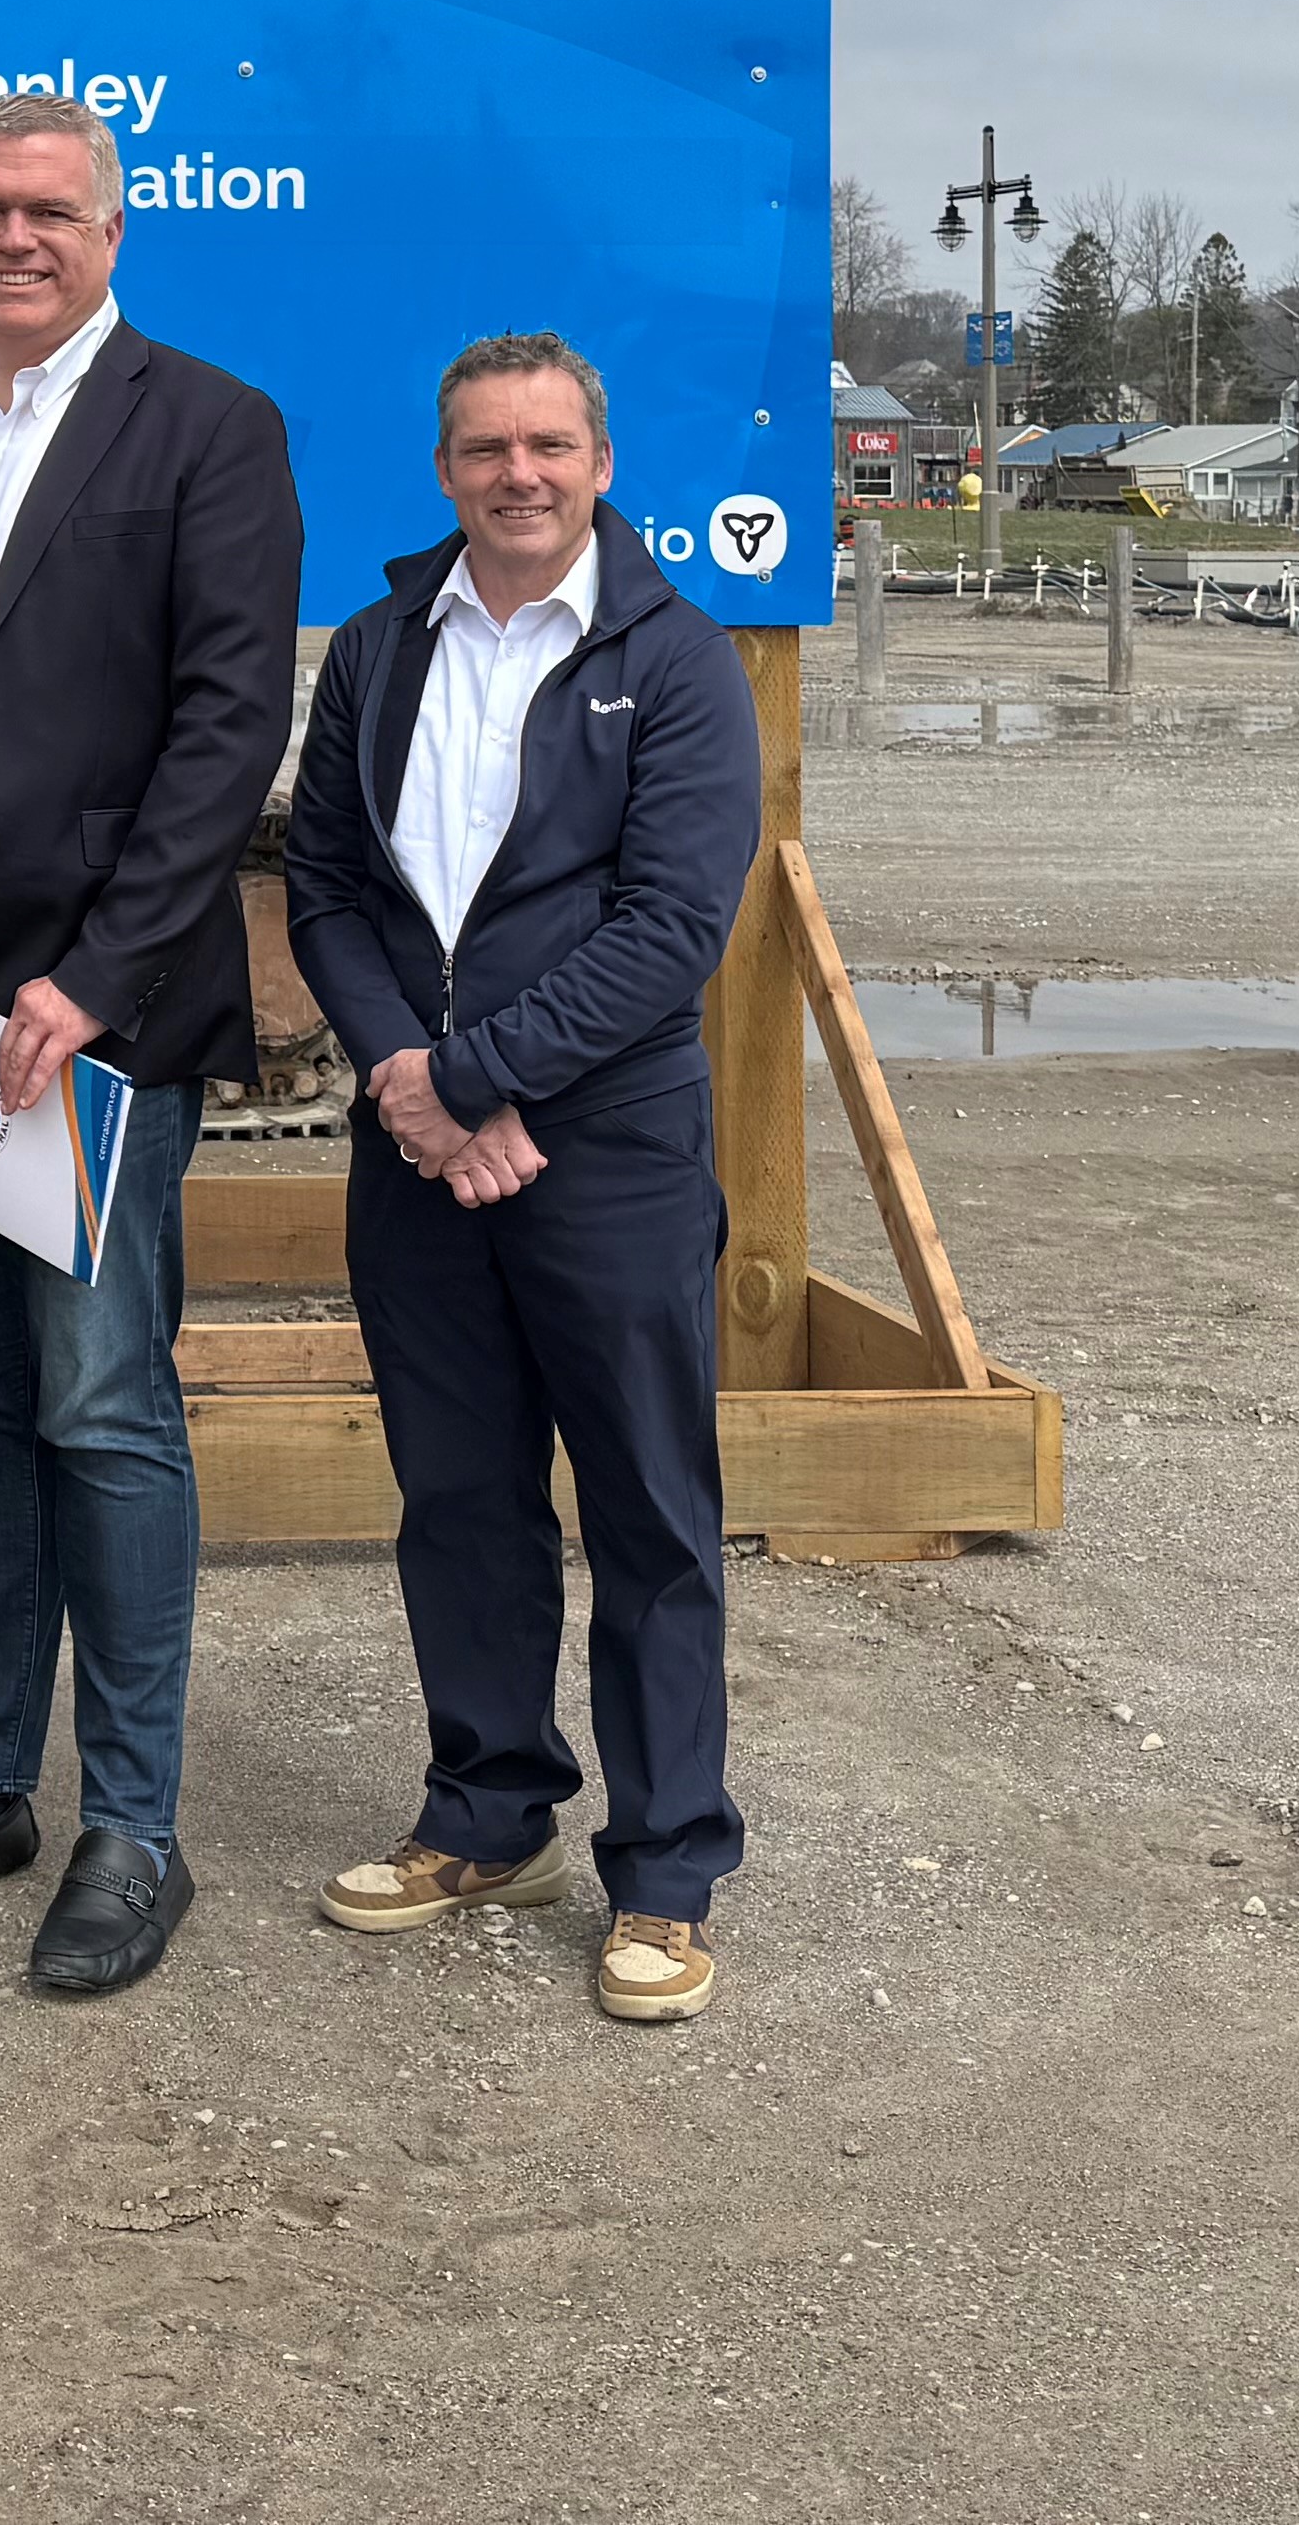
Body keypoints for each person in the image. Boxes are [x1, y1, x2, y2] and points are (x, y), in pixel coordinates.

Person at [0, 89, 302, 1997]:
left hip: (88, 1025)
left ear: (114, 229)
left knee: (105, 1408)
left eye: (51, 211)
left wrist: (92, 978)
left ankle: (136, 1827)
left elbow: (221, 729)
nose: (15, 237)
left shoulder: (208, 426)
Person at [279, 331, 761, 2026]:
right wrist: (409, 1085)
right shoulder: (378, 648)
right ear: (443, 470)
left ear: (603, 461)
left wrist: (469, 1076)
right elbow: (324, 884)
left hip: (607, 1150)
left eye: (549, 444)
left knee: (646, 1509)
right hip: (419, 1155)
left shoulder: (677, 660)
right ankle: (489, 1811)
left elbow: (672, 930)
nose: (519, 475)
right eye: (485, 448)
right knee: (462, 1500)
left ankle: (672, 1868)